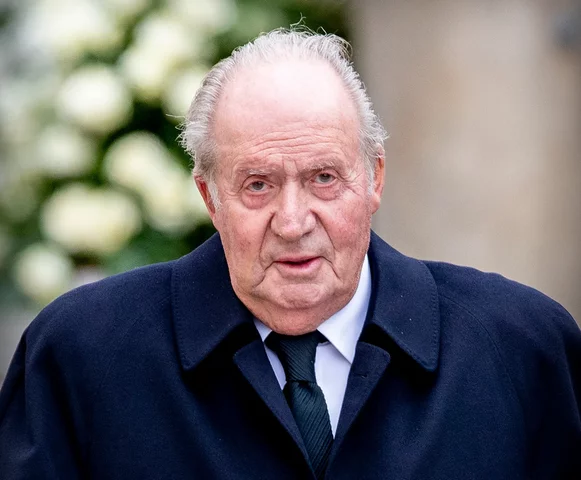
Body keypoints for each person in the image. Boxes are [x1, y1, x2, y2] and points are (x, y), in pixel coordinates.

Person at [0, 28, 580, 479]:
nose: (294, 221)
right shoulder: (79, 356)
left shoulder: (521, 347)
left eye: (324, 177)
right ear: (209, 196)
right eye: (258, 185)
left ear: (374, 178)